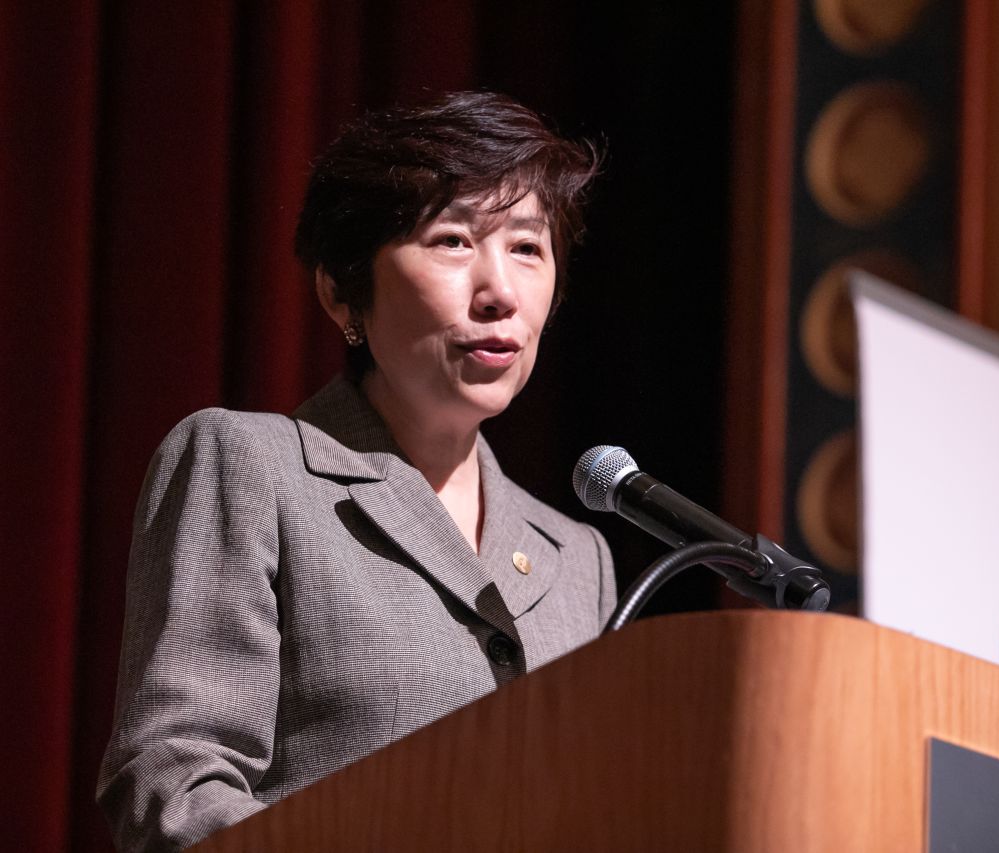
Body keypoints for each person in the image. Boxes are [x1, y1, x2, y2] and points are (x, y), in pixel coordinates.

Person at [97, 91, 615, 853]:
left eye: (527, 247)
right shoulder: (250, 468)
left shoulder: (580, 559)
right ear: (343, 292)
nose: (501, 290)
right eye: (451, 241)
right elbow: (175, 785)